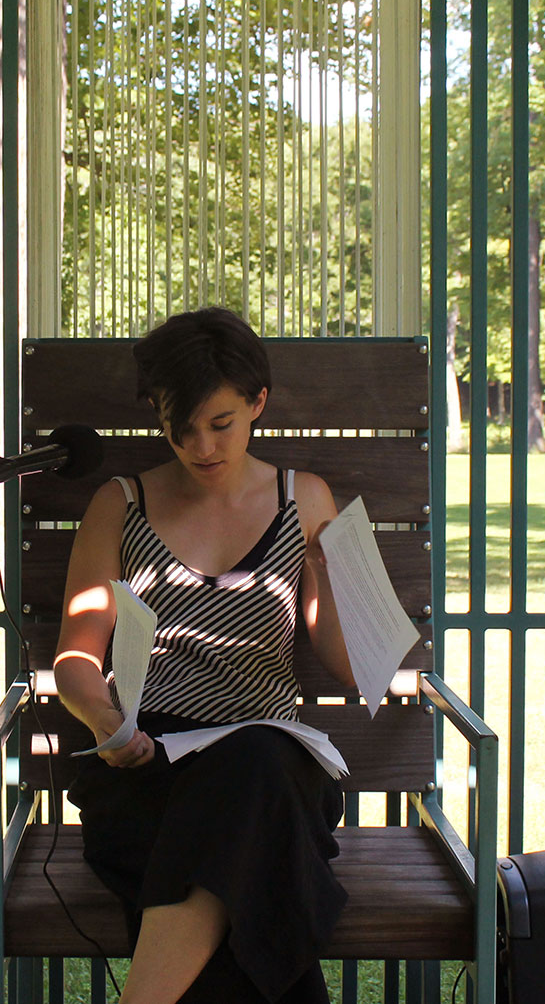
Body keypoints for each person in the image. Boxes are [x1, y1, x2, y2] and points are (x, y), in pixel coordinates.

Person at [53, 306, 358, 1004]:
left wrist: (332, 575)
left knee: (252, 773)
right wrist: (106, 721)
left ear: (258, 403)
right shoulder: (120, 504)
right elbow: (76, 657)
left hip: (271, 758)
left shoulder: (303, 500)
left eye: (221, 423)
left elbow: (347, 663)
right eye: (180, 427)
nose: (202, 446)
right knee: (247, 857)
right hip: (150, 763)